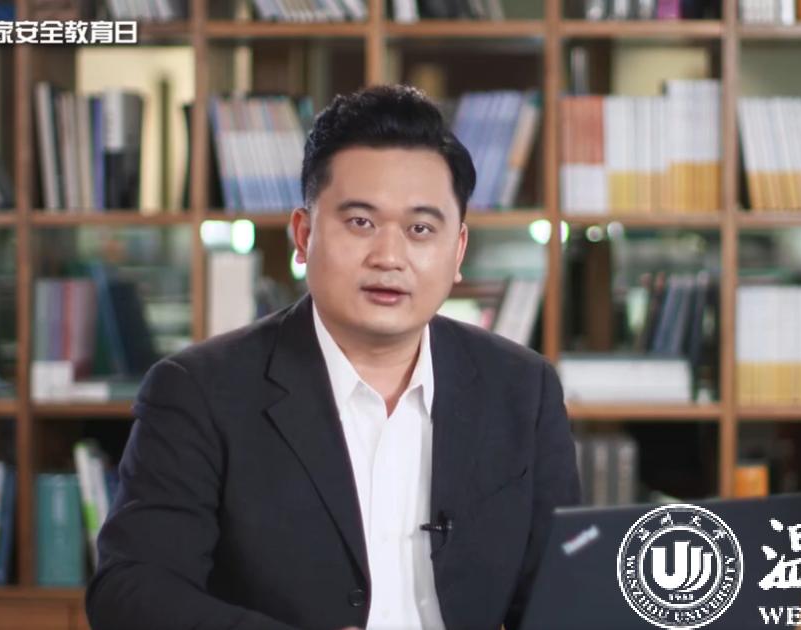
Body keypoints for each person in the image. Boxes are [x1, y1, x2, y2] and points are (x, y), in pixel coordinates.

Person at [85, 84, 581, 630]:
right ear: (303, 235)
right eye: (360, 222)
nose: (389, 257)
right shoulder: (198, 392)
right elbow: (130, 591)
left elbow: (562, 595)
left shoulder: (522, 389)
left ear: (458, 249)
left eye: (420, 229)